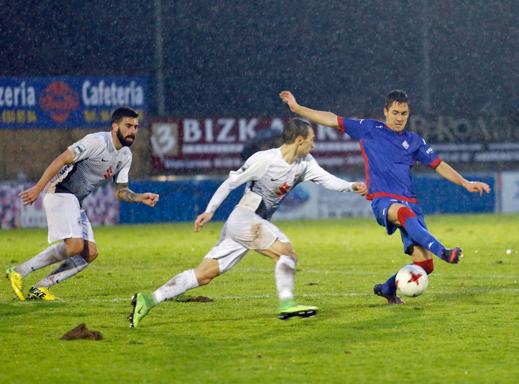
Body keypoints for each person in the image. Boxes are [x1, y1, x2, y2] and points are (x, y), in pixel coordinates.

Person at [129, 118, 367, 327]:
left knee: (204, 275)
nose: (314, 144)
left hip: (249, 225)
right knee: (286, 252)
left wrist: (350, 186)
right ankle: (286, 302)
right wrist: (210, 210)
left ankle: (148, 300)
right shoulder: (264, 160)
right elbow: (230, 183)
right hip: (244, 219)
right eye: (311, 140)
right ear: (298, 140)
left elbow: (327, 180)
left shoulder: (305, 163)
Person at [279, 90, 491, 304]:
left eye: (404, 114)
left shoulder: (414, 141)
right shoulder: (370, 129)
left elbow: (438, 165)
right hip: (383, 200)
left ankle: (387, 289)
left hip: (410, 202)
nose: (400, 118)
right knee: (403, 213)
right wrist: (298, 109)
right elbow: (332, 119)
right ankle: (443, 251)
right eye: (396, 113)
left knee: (424, 266)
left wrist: (465, 182)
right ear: (386, 111)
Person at [6, 107, 159, 301]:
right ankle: (19, 271)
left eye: (136, 127)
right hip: (60, 192)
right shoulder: (96, 141)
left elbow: (120, 191)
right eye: (128, 126)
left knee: (90, 253)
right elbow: (62, 158)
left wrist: (139, 197)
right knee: (75, 246)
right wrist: (38, 187)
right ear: (114, 127)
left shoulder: (125, 155)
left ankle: (41, 287)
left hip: (75, 201)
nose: (133, 131)